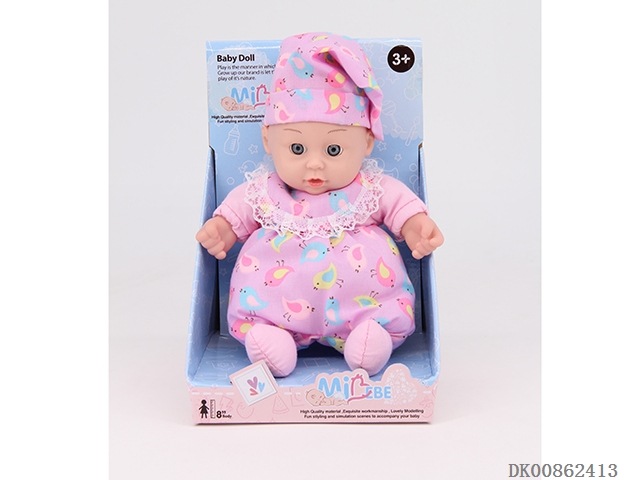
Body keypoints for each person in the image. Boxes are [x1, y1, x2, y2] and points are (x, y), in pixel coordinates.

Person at [197, 32, 443, 377]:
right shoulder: (264, 193)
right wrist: (221, 229)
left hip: (360, 304)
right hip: (276, 305)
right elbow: (238, 211)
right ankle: (270, 335)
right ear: (268, 139)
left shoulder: (369, 190)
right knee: (259, 298)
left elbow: (399, 205)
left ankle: (371, 334)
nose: (315, 164)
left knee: (378, 306)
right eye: (297, 149)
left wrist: (417, 226)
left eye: (334, 150)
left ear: (367, 142)